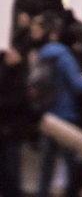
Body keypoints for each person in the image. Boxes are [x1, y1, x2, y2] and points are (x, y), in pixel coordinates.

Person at [37, 20, 82, 197]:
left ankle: (43, 193)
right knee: (70, 163)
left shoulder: (44, 54)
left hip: (47, 115)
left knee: (46, 166)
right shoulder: (65, 57)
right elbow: (79, 86)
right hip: (65, 116)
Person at [0, 48, 36, 197]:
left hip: (12, 130)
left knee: (10, 169)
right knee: (9, 169)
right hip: (10, 128)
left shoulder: (20, 75)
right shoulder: (10, 76)